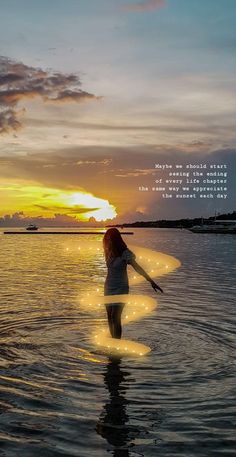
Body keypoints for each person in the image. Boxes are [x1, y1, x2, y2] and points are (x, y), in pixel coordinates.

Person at [103, 228, 163, 339]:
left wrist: (151, 281)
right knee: (109, 317)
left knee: (115, 317)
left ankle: (117, 345)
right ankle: (112, 343)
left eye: (110, 239)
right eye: (107, 239)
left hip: (121, 287)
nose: (108, 241)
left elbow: (137, 268)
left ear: (115, 239)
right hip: (108, 287)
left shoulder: (125, 254)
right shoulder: (108, 252)